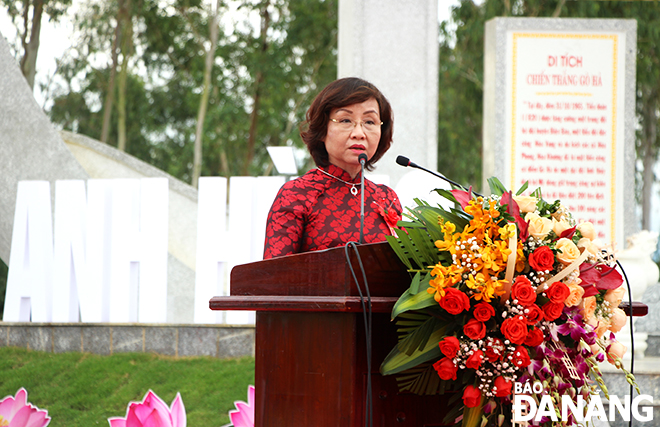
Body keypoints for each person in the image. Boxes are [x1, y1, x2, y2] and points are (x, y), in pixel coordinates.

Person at [263, 77, 402, 259]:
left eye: (369, 122)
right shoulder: (296, 194)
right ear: (323, 129)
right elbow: (273, 277)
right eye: (345, 120)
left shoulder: (386, 198)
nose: (359, 134)